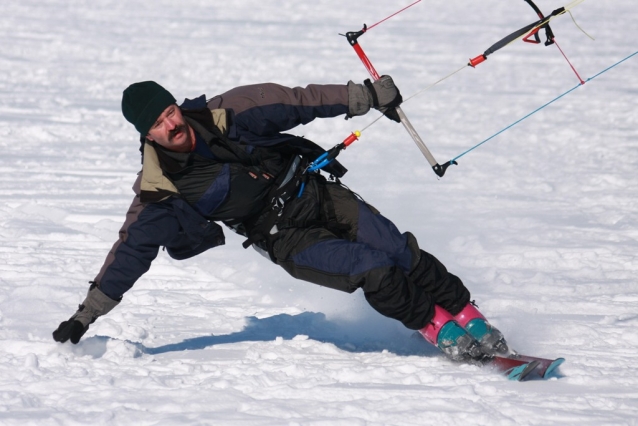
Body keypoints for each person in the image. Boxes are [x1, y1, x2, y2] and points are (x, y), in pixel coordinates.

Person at [52, 77, 508, 362]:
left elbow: (298, 101)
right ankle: (438, 327)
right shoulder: (160, 191)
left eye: (169, 111)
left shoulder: (229, 112)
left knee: (397, 249)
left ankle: (470, 314)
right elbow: (131, 250)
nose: (171, 124)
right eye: (158, 124)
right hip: (285, 237)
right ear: (146, 135)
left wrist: (364, 96)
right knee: (375, 270)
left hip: (316, 192)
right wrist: (86, 315)